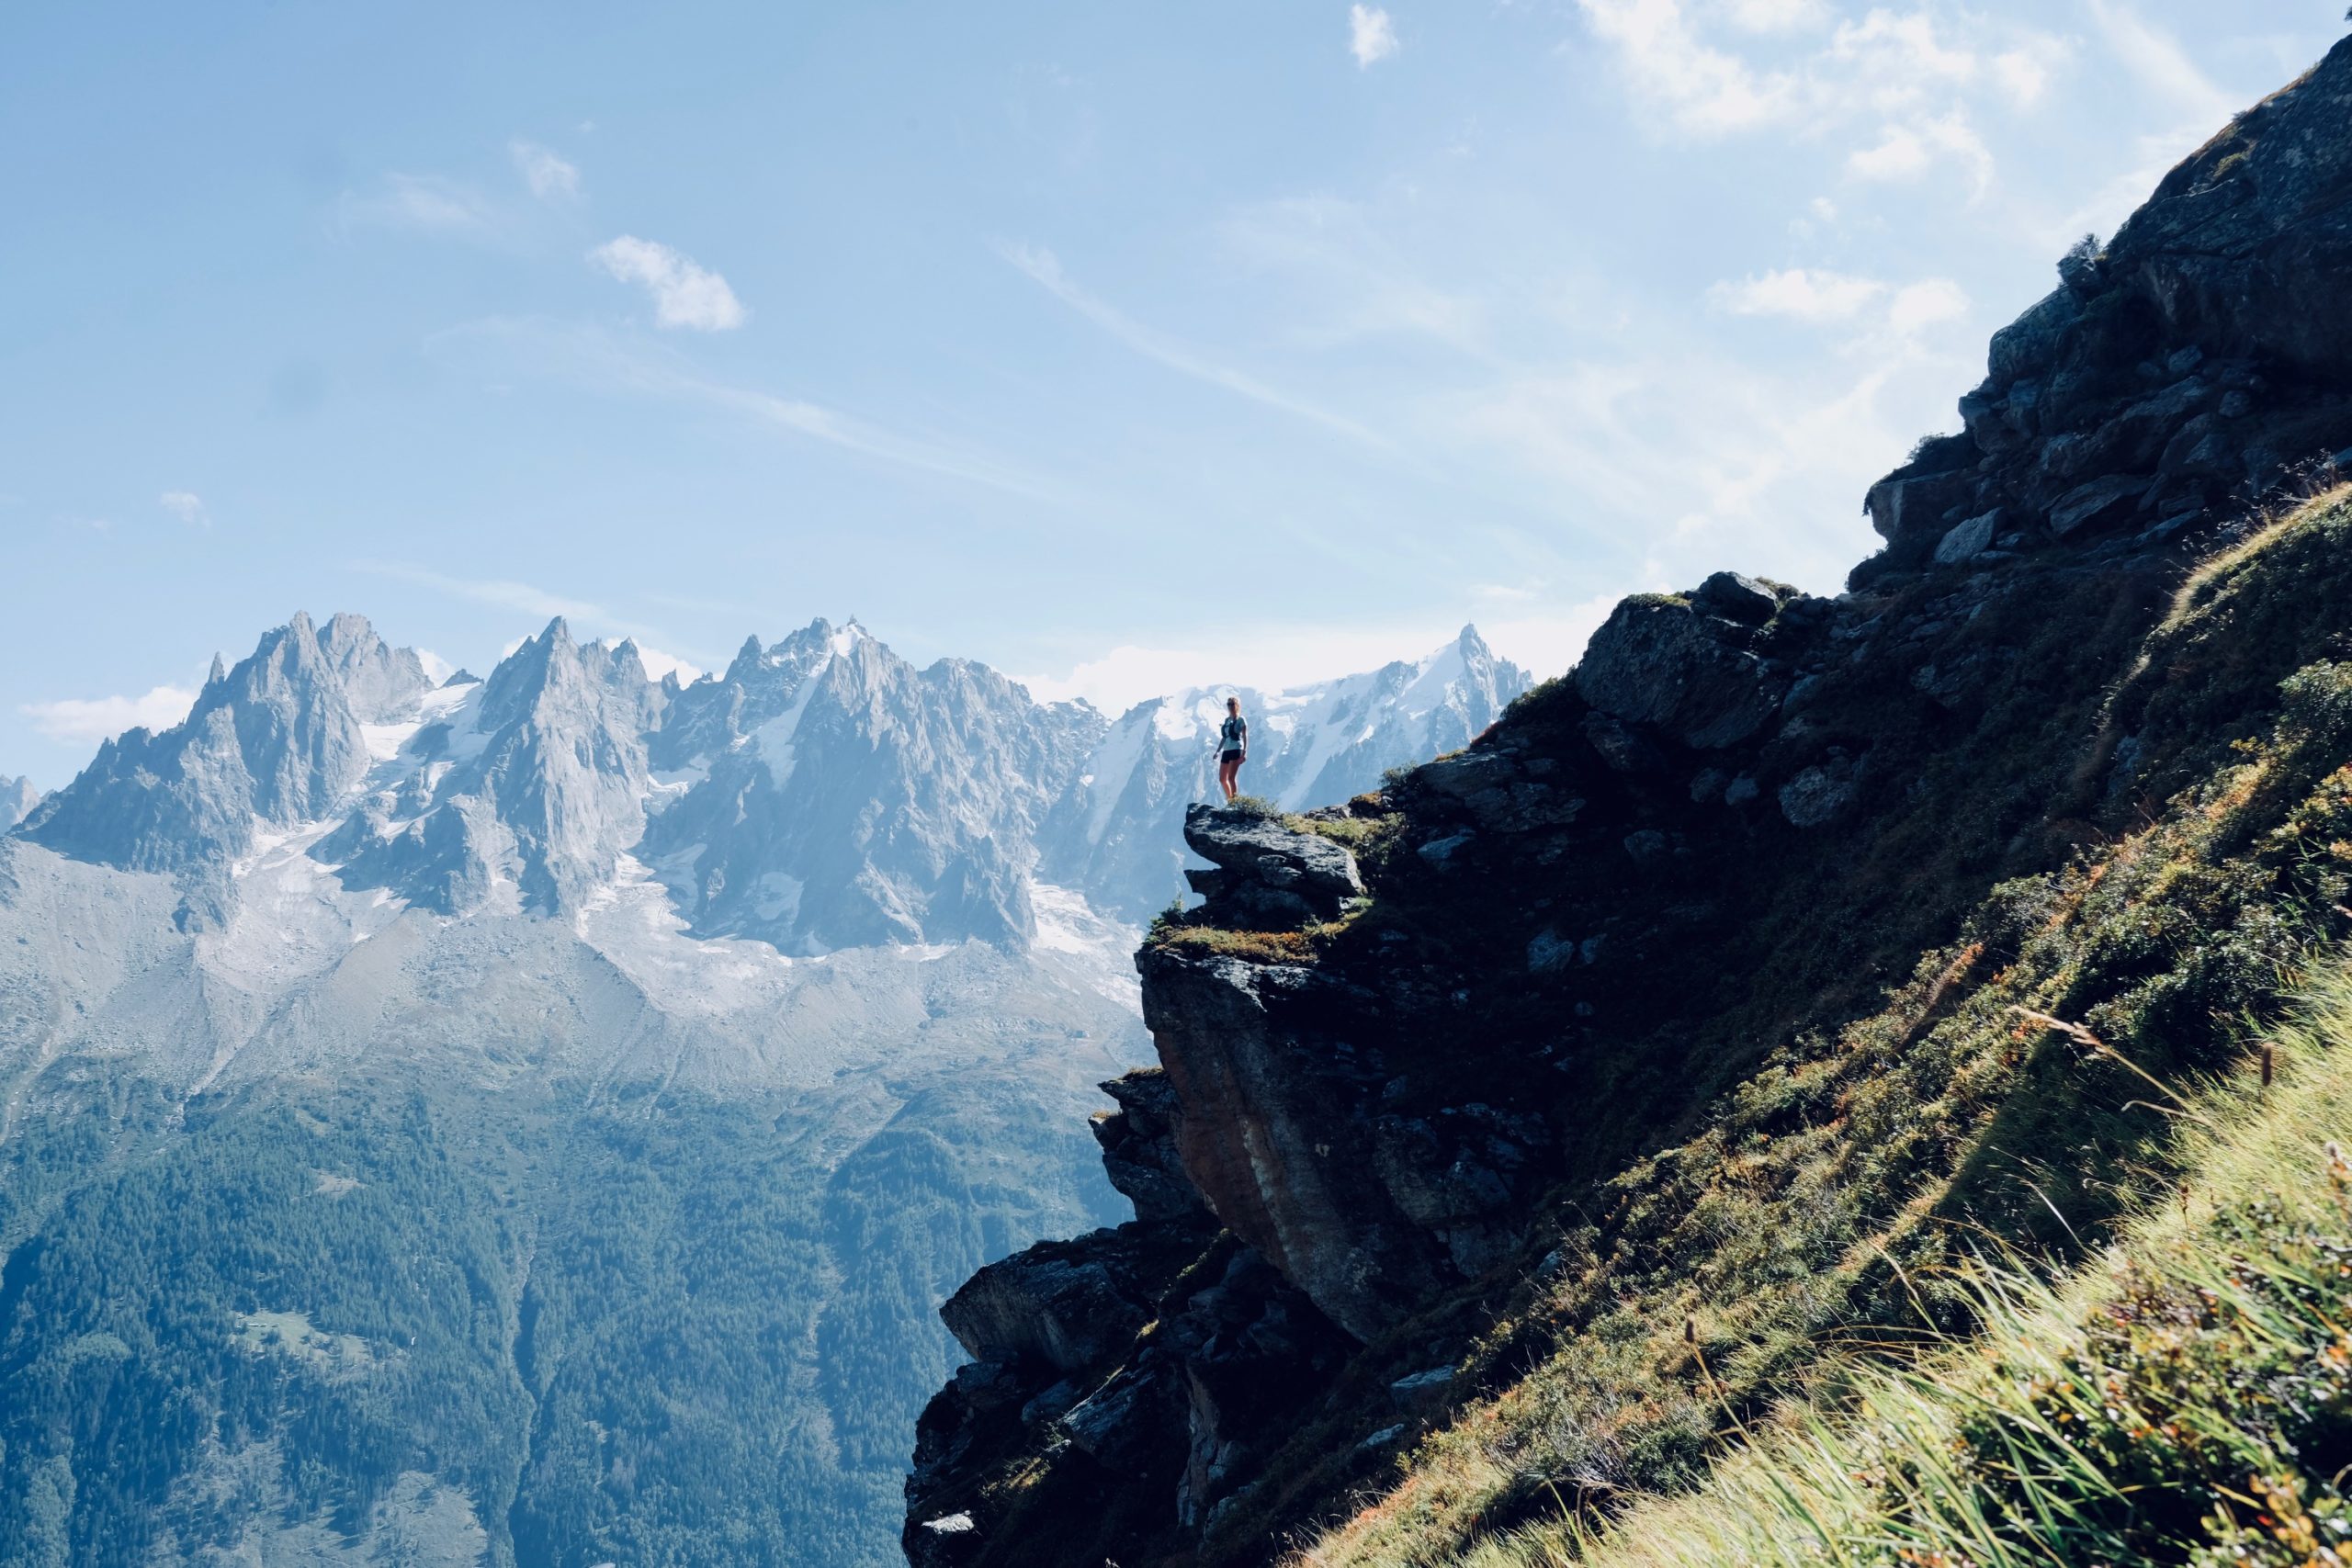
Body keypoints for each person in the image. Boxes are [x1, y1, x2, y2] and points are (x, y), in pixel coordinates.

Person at [1216, 696, 1249, 802]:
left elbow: (1245, 736)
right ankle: (1230, 800)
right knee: (1222, 779)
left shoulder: (1241, 719)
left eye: (1232, 704)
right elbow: (1224, 737)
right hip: (1226, 750)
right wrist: (1218, 751)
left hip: (1236, 749)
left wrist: (1244, 752)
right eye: (1228, 704)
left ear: (1237, 705)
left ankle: (1234, 802)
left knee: (1231, 778)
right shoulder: (1227, 720)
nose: (1230, 706)